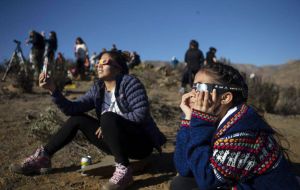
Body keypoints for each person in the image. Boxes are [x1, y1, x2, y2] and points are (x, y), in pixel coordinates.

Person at [11, 50, 166, 190]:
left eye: (104, 62)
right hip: (116, 143)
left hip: (140, 144)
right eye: (97, 62)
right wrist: (53, 89)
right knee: (77, 119)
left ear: (118, 67)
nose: (98, 66)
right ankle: (43, 157)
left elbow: (140, 114)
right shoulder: (98, 89)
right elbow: (72, 109)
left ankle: (124, 171)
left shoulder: (130, 83)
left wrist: (109, 122)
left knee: (107, 116)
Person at [171, 62, 300, 190]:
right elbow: (184, 168)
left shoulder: (243, 130)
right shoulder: (215, 120)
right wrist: (188, 120)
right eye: (193, 86)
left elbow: (207, 179)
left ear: (225, 98)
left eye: (200, 87)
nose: (193, 94)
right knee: (181, 183)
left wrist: (200, 123)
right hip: (239, 183)